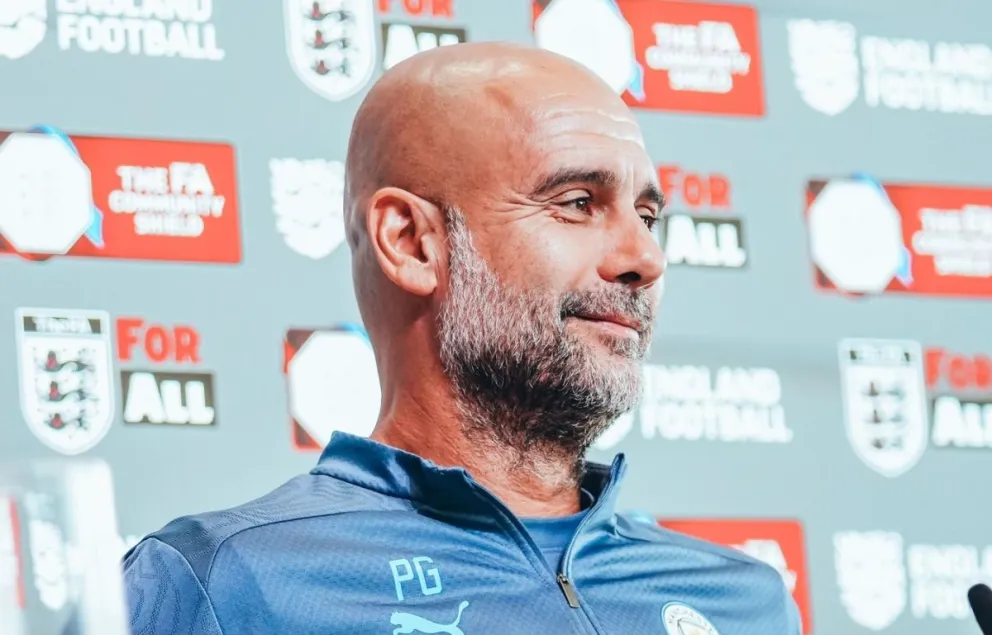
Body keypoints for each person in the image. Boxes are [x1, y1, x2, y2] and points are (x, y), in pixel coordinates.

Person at [122, 43, 801, 634]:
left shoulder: (746, 602)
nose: (644, 258)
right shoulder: (218, 581)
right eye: (576, 203)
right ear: (412, 242)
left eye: (648, 214)